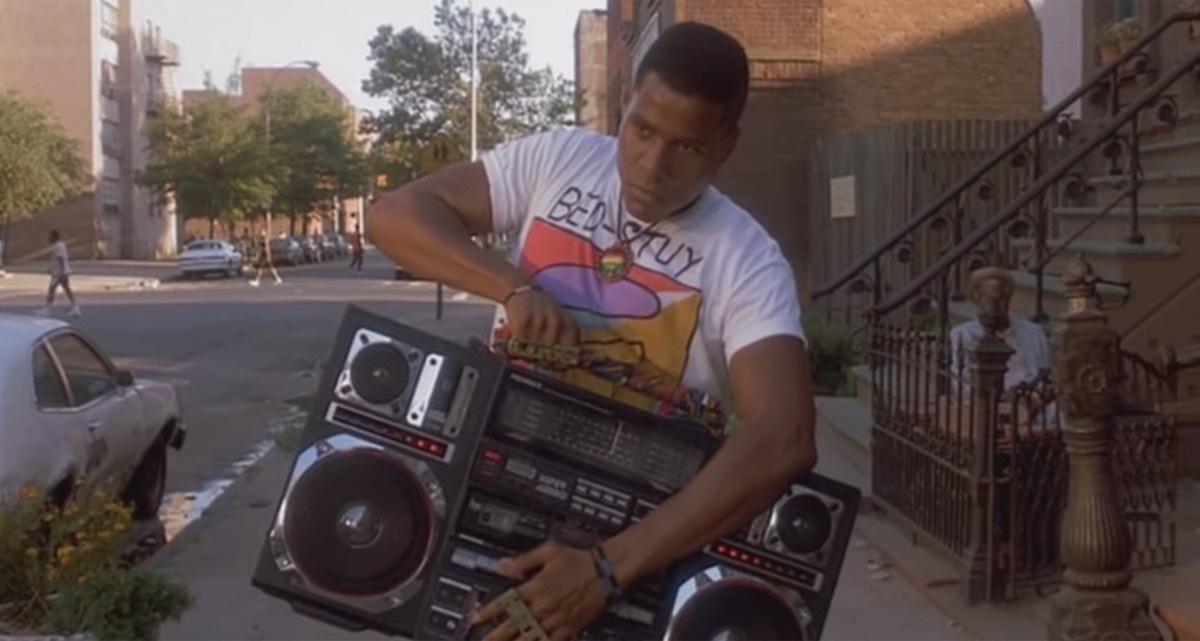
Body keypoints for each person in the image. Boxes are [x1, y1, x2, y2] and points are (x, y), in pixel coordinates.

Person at [368, 21, 817, 641]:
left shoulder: (746, 258)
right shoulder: (560, 160)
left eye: (687, 147)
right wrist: (514, 288)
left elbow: (784, 435)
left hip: (631, 550)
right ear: (625, 105)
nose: (651, 166)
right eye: (642, 130)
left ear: (727, 145)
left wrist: (606, 570)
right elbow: (393, 216)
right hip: (492, 498)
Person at [949, 267, 1055, 420]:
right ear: (977, 301)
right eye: (988, 300)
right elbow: (960, 382)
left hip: (1031, 397)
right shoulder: (962, 334)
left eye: (1000, 299)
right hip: (990, 402)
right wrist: (1003, 396)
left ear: (1008, 299)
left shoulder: (1033, 332)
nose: (995, 306)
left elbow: (1046, 374)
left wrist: (1033, 396)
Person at [35, 230, 81, 317]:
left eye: (49, 236)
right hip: (59, 272)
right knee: (66, 289)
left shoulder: (58, 246)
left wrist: (62, 272)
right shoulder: (58, 246)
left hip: (59, 273)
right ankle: (74, 307)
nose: (48, 238)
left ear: (54, 237)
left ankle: (47, 309)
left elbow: (61, 259)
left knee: (52, 290)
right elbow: (56, 260)